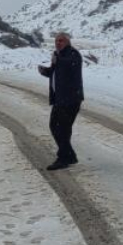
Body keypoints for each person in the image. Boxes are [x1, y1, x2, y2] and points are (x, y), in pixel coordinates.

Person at [37, 32, 83, 171]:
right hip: (60, 99)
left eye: (61, 41)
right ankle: (68, 156)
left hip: (70, 99)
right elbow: (56, 72)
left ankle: (65, 157)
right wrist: (45, 71)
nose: (58, 43)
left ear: (68, 42)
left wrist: (58, 61)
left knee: (59, 128)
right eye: (57, 41)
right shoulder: (58, 55)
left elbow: (71, 66)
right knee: (59, 128)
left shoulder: (73, 54)